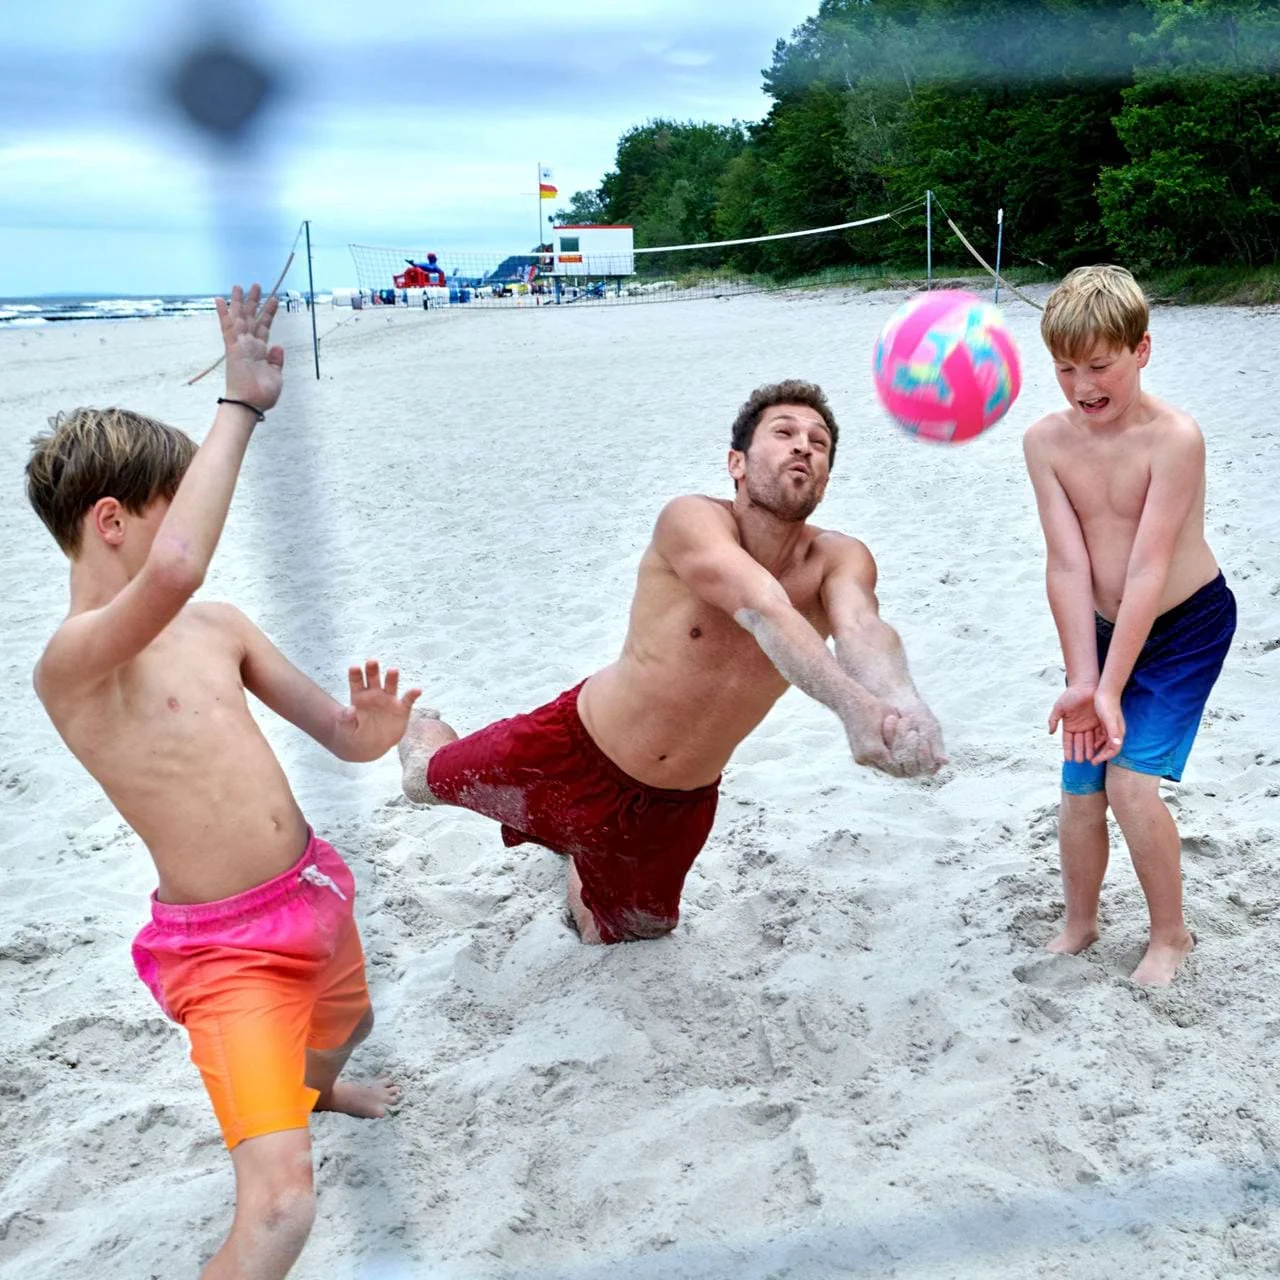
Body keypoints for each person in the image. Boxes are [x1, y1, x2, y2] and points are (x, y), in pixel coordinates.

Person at [25, 284, 420, 1278]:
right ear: (111, 520)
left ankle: (318, 1090)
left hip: (315, 890)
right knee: (283, 1209)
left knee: (339, 1027)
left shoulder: (223, 627)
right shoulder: (76, 662)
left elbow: (334, 731)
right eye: (173, 507)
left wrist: (365, 735)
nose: (190, 529)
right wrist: (239, 403)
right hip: (227, 954)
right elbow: (176, 571)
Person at [399, 380, 946, 944]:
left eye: (820, 443)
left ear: (826, 479)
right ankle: (423, 726)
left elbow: (862, 628)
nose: (804, 447)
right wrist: (854, 706)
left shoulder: (840, 558)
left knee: (622, 931)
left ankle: (579, 859)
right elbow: (762, 609)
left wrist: (902, 703)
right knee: (421, 782)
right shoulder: (691, 519)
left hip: (673, 808)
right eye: (784, 433)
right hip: (570, 749)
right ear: (736, 462)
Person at [1023, 264, 1236, 986]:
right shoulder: (1047, 443)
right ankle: (1080, 921)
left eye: (1100, 365)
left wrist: (1111, 687)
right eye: (1065, 369)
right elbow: (1067, 567)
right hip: (1102, 631)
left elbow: (1148, 570)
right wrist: (1086, 680)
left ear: (1141, 350)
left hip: (1185, 626)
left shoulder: (1175, 438)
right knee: (1081, 782)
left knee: (1130, 785)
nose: (1083, 386)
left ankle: (1171, 935)